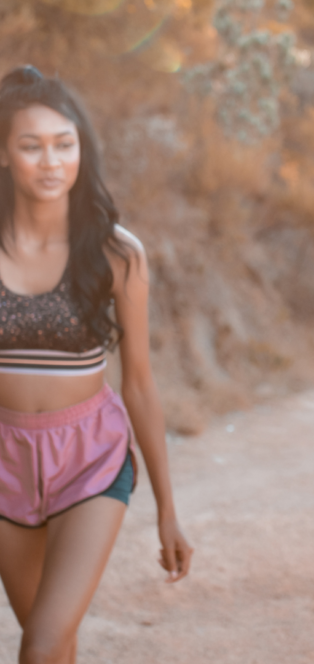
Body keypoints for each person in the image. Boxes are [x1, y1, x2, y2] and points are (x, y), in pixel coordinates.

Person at [0, 66, 193, 663]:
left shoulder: (116, 254)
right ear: (5, 154)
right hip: (4, 462)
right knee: (54, 645)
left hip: (90, 461)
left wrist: (166, 508)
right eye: (31, 146)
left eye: (65, 144)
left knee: (40, 645)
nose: (51, 161)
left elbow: (138, 384)